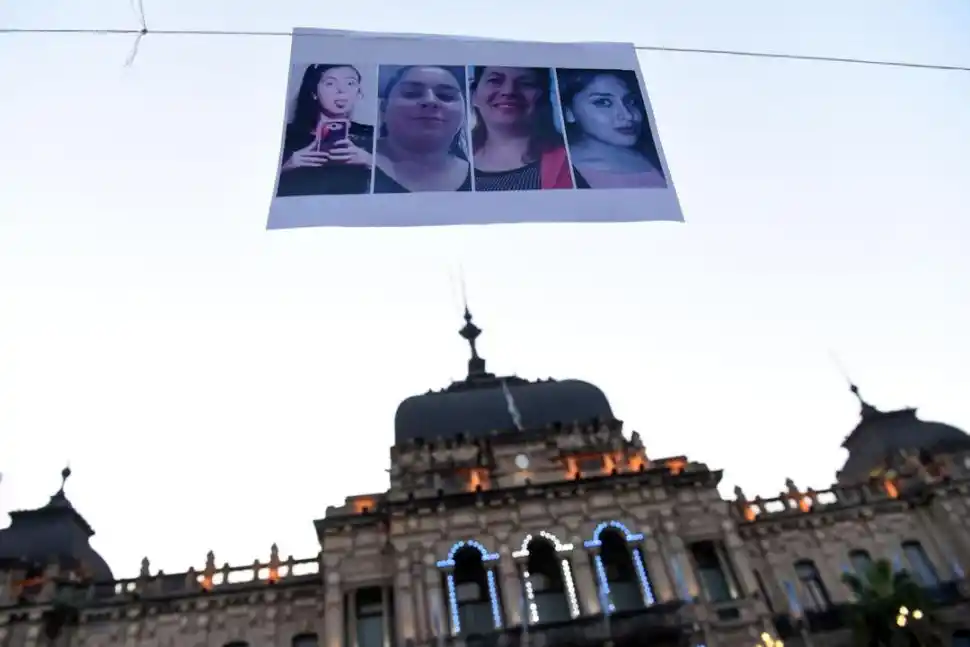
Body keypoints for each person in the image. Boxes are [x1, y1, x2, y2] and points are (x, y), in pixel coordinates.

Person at [556, 69, 667, 189]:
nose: (628, 115)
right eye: (603, 102)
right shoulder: (561, 171)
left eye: (631, 101)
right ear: (569, 113)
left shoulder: (656, 153)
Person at [276, 64, 374, 197]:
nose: (341, 90)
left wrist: (370, 162)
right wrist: (287, 164)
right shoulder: (285, 134)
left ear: (358, 93)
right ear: (313, 93)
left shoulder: (371, 135)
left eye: (350, 83)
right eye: (330, 83)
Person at [469, 66, 573, 191]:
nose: (508, 91)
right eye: (495, 80)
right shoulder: (452, 157)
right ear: (473, 94)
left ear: (543, 97)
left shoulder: (571, 163)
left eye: (526, 83)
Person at [373, 66, 471, 193]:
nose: (430, 101)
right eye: (411, 93)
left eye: (446, 96)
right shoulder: (345, 156)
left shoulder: (481, 176)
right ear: (383, 109)